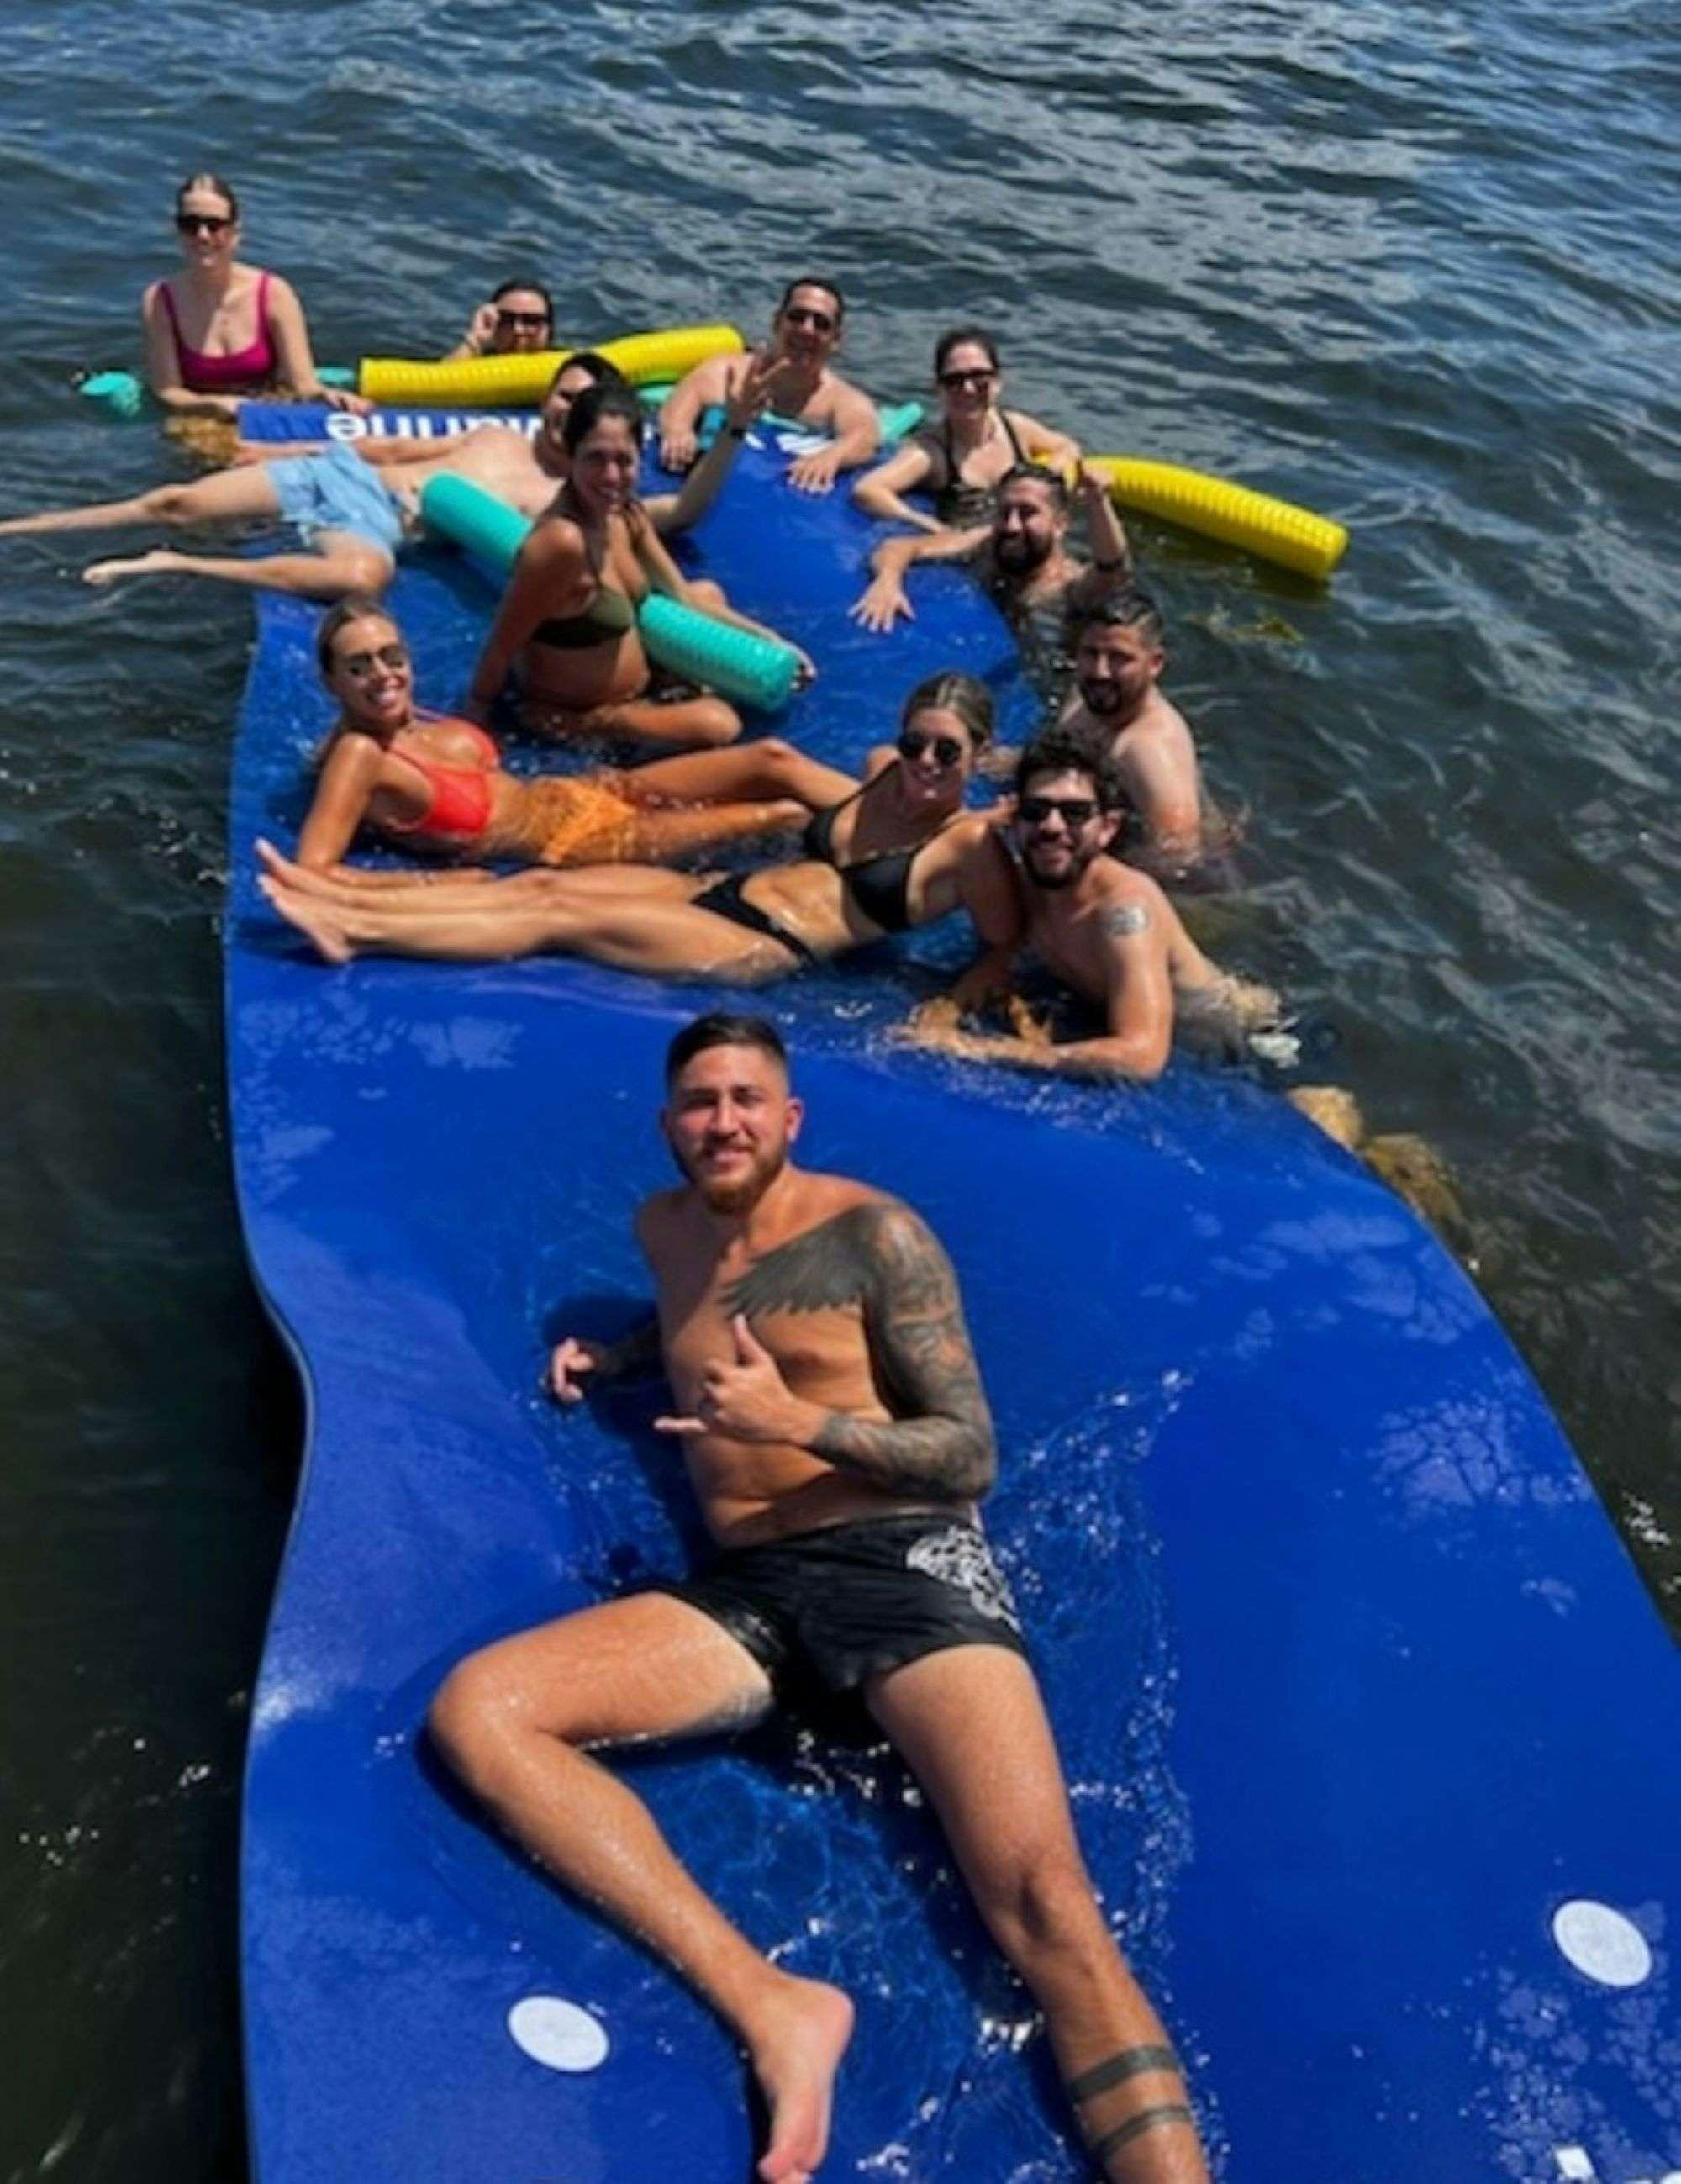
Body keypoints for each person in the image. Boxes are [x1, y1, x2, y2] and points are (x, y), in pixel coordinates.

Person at [424, 1010, 1210, 2184]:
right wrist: (621, 1357)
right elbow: (693, 1318)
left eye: (746, 1099)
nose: (723, 1121)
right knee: (481, 1710)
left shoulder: (873, 1235)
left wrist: (797, 1422)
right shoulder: (661, 1229)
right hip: (752, 1591)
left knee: (1046, 1908)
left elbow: (970, 1455)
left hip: (903, 1563)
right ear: (668, 1125)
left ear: (790, 1117)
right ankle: (775, 2004)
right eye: (701, 1102)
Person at [257, 673, 1022, 984]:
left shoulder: (968, 844)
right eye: (916, 743)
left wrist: (954, 1006)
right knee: (543, 883)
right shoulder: (885, 775)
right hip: (718, 890)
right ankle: (343, 900)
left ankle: (356, 934)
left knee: (559, 917)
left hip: (761, 944)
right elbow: (785, 766)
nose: (925, 762)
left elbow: (1004, 941)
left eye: (947, 752)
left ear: (980, 756)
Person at [0, 352, 772, 604]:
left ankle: (175, 564)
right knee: (173, 500)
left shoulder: (575, 496)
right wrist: (280, 457)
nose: (564, 409)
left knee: (364, 577)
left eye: (582, 404)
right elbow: (388, 451)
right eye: (560, 394)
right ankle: (19, 528)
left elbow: (684, 509)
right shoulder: (492, 433)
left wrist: (733, 427)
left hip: (374, 528)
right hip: (334, 479)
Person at [292, 596, 832, 877]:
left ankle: (880, 813)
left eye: (392, 657)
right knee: (777, 815)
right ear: (331, 681)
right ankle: (869, 865)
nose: (383, 675)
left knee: (771, 758)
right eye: (359, 666)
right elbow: (313, 869)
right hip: (572, 845)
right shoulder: (359, 754)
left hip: (588, 791)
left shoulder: (415, 718)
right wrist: (433, 883)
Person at [902, 730, 1279, 1081]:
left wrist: (986, 1049)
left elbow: (1143, 1056)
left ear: (1108, 828)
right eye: (1036, 810)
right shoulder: (1030, 882)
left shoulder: (1125, 913)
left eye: (1075, 813)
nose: (1052, 826)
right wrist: (950, 1006)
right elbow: (1006, 952)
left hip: (1247, 1038)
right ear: (1015, 821)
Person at [463, 380, 803, 751]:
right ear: (571, 456)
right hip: (581, 713)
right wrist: (477, 721)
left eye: (623, 460)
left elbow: (685, 598)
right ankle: (605, 724)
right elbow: (501, 645)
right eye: (596, 458)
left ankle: (667, 698)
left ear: (640, 458)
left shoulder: (625, 515)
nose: (611, 476)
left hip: (642, 689)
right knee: (718, 724)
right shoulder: (562, 543)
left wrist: (771, 641)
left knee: (708, 592)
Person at [851, 463, 1133, 702]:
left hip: (1052, 684)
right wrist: (887, 582)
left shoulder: (1070, 587)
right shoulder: (987, 545)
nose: (1012, 526)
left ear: (1060, 525)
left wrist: (1098, 502)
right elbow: (899, 547)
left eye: (1027, 513)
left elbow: (1113, 569)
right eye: (1004, 512)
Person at [141, 173, 370, 419]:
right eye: (190, 225)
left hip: (267, 414)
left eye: (214, 225)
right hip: (199, 421)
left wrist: (327, 396)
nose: (202, 235)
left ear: (235, 233)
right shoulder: (160, 300)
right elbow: (169, 391)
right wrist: (212, 406)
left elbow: (304, 385)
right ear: (177, 231)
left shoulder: (274, 293)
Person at [658, 279, 880, 495]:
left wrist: (831, 457)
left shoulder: (840, 399)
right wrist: (678, 430)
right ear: (777, 322)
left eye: (821, 324)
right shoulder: (729, 371)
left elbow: (863, 438)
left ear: (835, 340)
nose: (807, 329)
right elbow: (686, 397)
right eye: (797, 317)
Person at [851, 327, 1079, 533]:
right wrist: (929, 526)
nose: (968, 389)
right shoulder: (931, 453)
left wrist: (1047, 476)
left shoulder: (1015, 429)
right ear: (938, 389)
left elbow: (1067, 446)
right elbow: (868, 490)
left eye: (980, 377)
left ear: (997, 382)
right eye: (954, 380)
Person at [1061, 593, 1207, 878]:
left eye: (1119, 658)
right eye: (1091, 653)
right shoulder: (1085, 695)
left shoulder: (1147, 751)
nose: (1100, 671)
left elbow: (1179, 859)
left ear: (1155, 664)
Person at [445, 277, 556, 361]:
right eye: (506, 319)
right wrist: (475, 339)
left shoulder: (564, 366)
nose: (518, 330)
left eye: (532, 320)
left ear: (549, 328)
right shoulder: (474, 360)